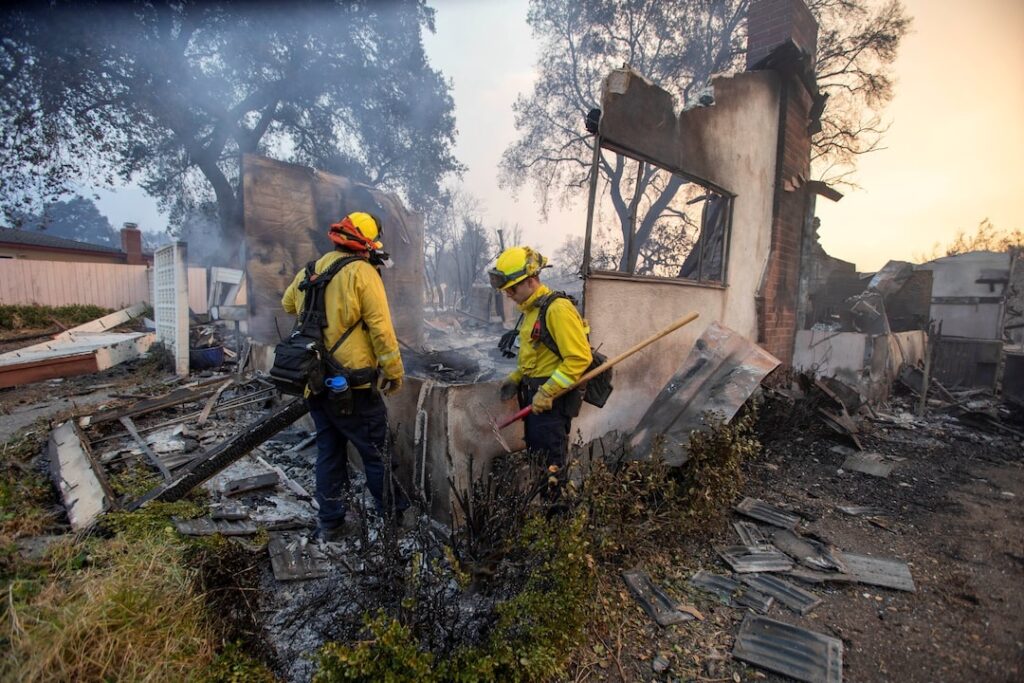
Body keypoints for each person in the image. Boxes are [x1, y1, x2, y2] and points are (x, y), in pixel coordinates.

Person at [281, 211, 409, 541]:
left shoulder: (310, 270)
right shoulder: (362, 272)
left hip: (315, 383)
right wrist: (394, 372)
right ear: (368, 243)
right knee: (377, 454)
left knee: (329, 452)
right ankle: (393, 524)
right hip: (354, 386)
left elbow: (288, 305)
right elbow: (382, 330)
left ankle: (331, 523)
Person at [488, 246, 592, 484]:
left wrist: (547, 392)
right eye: (505, 290)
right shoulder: (532, 310)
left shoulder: (557, 309)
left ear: (531, 280)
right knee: (539, 463)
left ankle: (556, 506)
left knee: (551, 469)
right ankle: (545, 502)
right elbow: (537, 357)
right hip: (535, 400)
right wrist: (517, 377)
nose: (508, 294)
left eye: (512, 288)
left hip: (552, 404)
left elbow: (579, 358)